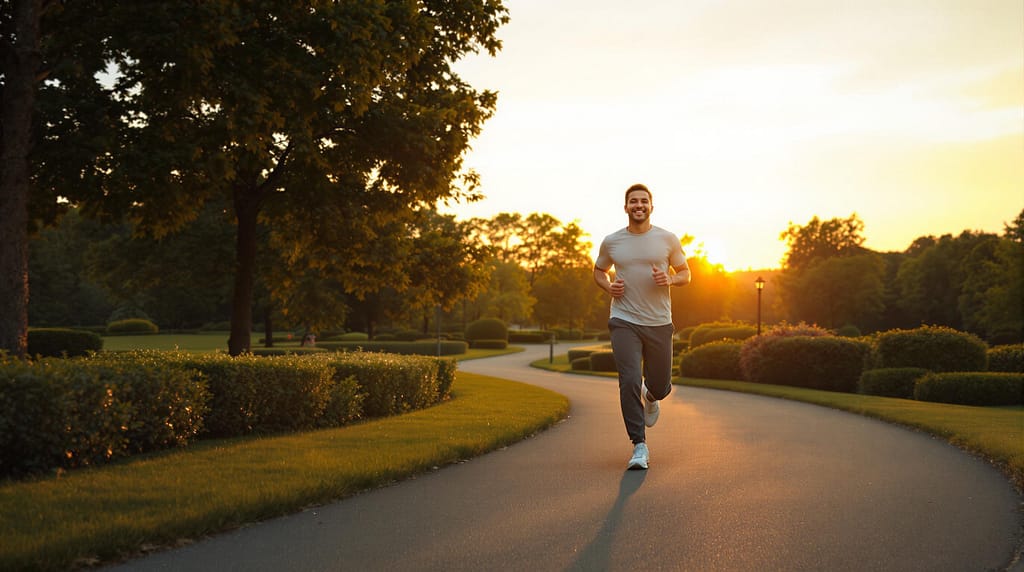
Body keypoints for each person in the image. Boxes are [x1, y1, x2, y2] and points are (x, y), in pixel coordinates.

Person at [593, 183, 690, 470]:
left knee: (660, 386)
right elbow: (599, 271)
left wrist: (670, 280)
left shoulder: (667, 239)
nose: (638, 205)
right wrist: (609, 286)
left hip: (659, 322)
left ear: (651, 206)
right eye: (633, 201)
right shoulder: (612, 241)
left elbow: (686, 273)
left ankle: (652, 396)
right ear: (626, 207)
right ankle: (639, 445)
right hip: (624, 320)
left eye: (643, 201)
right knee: (630, 379)